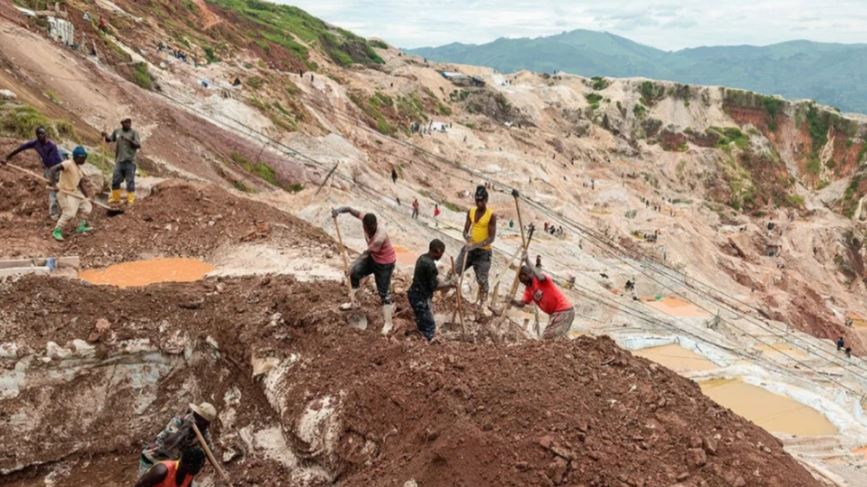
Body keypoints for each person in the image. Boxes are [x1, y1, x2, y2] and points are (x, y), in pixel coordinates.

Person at [332, 207, 397, 335]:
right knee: (355, 274)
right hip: (374, 258)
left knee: (384, 293)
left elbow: (365, 253)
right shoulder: (365, 218)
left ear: (376, 225)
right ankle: (354, 302)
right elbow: (350, 209)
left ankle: (388, 322)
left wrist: (351, 266)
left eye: (373, 228)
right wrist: (338, 211)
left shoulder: (379, 237)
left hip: (385, 264)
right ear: (365, 225)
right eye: (369, 228)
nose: (371, 231)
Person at [139, 402, 217, 477]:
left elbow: (210, 452)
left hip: (171, 464)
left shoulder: (204, 432)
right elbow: (168, 441)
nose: (196, 420)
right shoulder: (179, 421)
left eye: (204, 422)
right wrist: (184, 428)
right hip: (154, 457)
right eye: (196, 416)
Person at [3, 126, 63, 218]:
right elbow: (21, 148)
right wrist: (7, 157)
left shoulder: (52, 146)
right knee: (53, 191)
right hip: (48, 169)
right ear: (37, 135)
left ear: (46, 134)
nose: (41, 136)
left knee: (58, 189)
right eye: (39, 134)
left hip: (57, 168)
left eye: (43, 133)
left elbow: (53, 163)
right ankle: (54, 214)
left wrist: (52, 178)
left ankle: (62, 210)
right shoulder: (35, 143)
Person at [511, 256, 575, 339]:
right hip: (555, 314)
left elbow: (539, 275)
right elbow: (522, 303)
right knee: (555, 339)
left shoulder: (541, 280)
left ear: (528, 275)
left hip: (563, 311)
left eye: (523, 278)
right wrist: (512, 301)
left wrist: (527, 261)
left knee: (548, 338)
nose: (522, 282)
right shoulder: (529, 289)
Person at [456, 185, 497, 304]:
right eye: (477, 200)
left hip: (483, 253)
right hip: (469, 249)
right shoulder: (471, 212)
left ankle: (482, 304)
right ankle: (446, 293)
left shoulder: (491, 215)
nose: (479, 203)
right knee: (455, 271)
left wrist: (476, 245)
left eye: (482, 200)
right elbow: (465, 231)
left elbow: (491, 238)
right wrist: (466, 237)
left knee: (482, 280)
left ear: (486, 200)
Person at [408, 239, 454, 341]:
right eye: (442, 252)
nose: (442, 255)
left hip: (414, 294)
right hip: (420, 298)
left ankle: (420, 335)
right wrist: (450, 284)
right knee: (429, 326)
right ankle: (426, 343)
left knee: (422, 320)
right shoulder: (430, 265)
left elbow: (430, 279)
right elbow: (434, 287)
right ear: (438, 251)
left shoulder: (422, 258)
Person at [47, 146, 93, 241]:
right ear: (77, 157)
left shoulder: (78, 169)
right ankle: (57, 231)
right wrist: (54, 185)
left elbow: (80, 184)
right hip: (64, 192)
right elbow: (53, 169)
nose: (84, 160)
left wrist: (87, 196)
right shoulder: (68, 163)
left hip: (74, 192)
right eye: (83, 158)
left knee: (87, 206)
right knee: (69, 213)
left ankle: (81, 226)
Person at [102, 118, 141, 205]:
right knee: (115, 180)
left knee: (130, 181)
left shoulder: (134, 133)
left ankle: (131, 200)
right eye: (126, 122)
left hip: (130, 161)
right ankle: (116, 198)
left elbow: (138, 145)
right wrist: (105, 135)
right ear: (122, 123)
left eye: (129, 122)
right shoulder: (117, 131)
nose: (128, 124)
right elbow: (110, 139)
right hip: (119, 161)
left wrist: (128, 140)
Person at [136, 447, 205, 487]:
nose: (198, 470)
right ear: (186, 464)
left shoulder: (189, 475)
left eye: (200, 466)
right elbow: (139, 485)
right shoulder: (161, 471)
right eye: (197, 467)